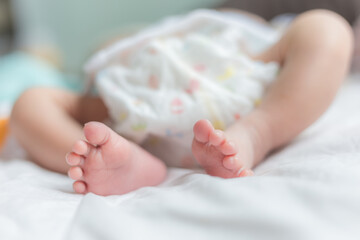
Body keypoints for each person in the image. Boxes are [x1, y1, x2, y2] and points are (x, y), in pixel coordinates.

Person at [10, 9, 353, 196]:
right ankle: (117, 159)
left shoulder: (232, 36)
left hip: (239, 79)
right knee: (29, 103)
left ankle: (258, 131)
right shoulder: (109, 81)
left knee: (327, 27)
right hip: (128, 112)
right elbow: (51, 100)